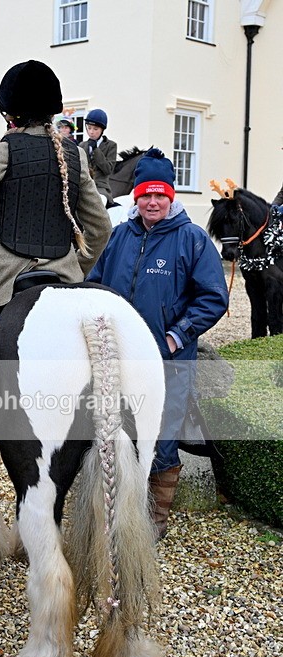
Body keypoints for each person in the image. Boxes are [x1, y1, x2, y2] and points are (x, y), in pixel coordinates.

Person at [87, 148, 229, 540]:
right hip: (117, 356)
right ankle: (116, 509)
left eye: (160, 195)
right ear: (136, 197)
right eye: (146, 194)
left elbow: (214, 298)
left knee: (162, 436)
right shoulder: (121, 235)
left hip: (167, 359)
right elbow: (96, 284)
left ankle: (156, 518)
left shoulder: (192, 239)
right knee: (115, 430)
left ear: (171, 197)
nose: (152, 202)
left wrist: (176, 335)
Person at [0, 60, 112, 324]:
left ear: (9, 114)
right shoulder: (76, 155)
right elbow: (101, 228)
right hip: (63, 275)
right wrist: (74, 268)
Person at [80, 109, 117, 206]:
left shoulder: (111, 145)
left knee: (100, 202)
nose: (91, 132)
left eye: (95, 129)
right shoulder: (82, 145)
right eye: (89, 128)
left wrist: (96, 150)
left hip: (101, 187)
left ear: (102, 130)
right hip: (83, 186)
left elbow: (108, 169)